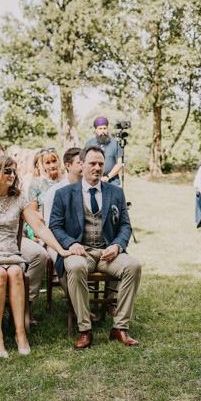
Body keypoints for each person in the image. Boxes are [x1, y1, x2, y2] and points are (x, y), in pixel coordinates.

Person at [0, 156, 70, 357]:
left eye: (14, 171)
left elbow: (39, 228)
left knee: (15, 272)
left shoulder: (20, 198)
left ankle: (21, 334)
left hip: (9, 253)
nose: (12, 175)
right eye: (7, 171)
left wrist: (61, 249)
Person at [49, 146, 141, 349]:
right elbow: (55, 226)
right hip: (79, 251)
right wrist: (71, 243)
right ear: (81, 165)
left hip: (108, 252)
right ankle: (85, 329)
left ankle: (120, 328)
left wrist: (117, 245)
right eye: (92, 163)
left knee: (133, 266)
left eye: (101, 163)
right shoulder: (64, 194)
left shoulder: (115, 192)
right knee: (74, 267)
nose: (98, 167)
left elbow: (125, 225)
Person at [43, 148, 83, 227]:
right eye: (79, 163)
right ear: (68, 165)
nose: (84, 166)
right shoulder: (54, 192)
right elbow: (50, 224)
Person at [84, 117, 123, 185]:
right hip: (93, 181)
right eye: (100, 128)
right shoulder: (89, 143)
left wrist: (107, 177)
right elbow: (85, 162)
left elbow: (119, 164)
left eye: (105, 128)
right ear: (96, 130)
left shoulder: (115, 143)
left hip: (113, 182)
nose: (103, 131)